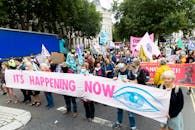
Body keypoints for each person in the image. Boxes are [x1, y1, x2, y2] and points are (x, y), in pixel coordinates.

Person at [112, 61, 138, 130]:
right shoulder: (117, 72)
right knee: (119, 110)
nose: (121, 68)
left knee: (130, 112)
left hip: (129, 95)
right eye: (120, 66)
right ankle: (118, 122)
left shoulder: (130, 72)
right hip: (120, 94)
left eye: (122, 66)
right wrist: (114, 79)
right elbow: (113, 80)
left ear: (126, 66)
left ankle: (133, 127)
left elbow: (136, 82)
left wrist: (128, 81)